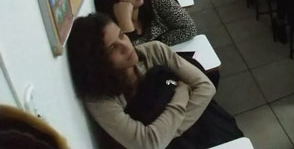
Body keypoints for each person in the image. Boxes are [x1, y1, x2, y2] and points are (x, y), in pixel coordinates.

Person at [66, 13, 235, 149]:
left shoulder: (153, 50)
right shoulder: (99, 98)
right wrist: (181, 94)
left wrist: (165, 133)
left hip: (203, 128)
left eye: (122, 35)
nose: (126, 46)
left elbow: (206, 87)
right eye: (113, 48)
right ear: (98, 63)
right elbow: (148, 143)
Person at [93, 0, 196, 46]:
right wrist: (125, 22)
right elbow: (132, 58)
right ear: (113, 4)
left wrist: (156, 44)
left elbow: (189, 28)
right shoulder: (110, 29)